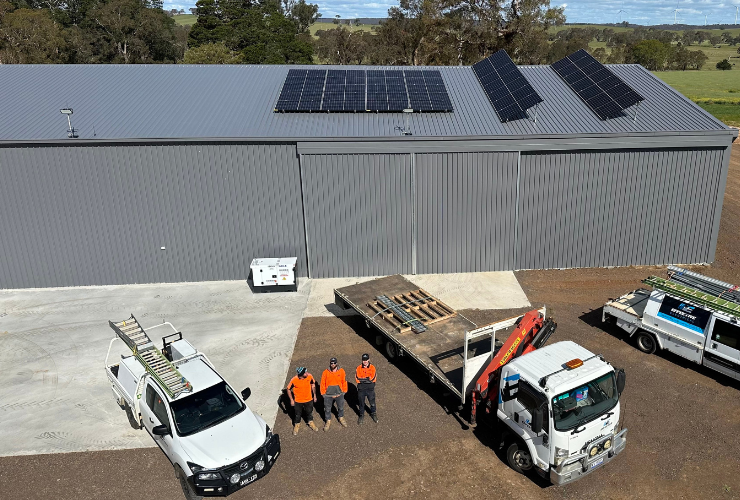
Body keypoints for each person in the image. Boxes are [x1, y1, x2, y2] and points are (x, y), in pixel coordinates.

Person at [286, 366, 318, 435]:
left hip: (309, 399)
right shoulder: (294, 380)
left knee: (309, 412)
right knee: (298, 414)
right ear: (301, 374)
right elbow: (288, 389)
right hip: (298, 401)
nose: (307, 373)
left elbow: (313, 384)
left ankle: (310, 422)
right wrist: (291, 400)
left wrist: (314, 395)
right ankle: (297, 425)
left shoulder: (309, 376)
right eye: (305, 372)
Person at [320, 357, 348, 430]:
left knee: (340, 407)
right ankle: (328, 421)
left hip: (339, 394)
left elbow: (344, 381)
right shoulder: (325, 372)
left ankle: (341, 418)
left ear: (337, 363)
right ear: (330, 364)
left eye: (334, 363)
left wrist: (344, 392)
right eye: (331, 363)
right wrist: (323, 394)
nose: (333, 364)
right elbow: (322, 383)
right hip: (328, 395)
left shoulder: (341, 371)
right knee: (327, 409)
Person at [355, 353, 378, 424]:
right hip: (361, 389)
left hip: (370, 389)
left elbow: (373, 379)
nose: (365, 361)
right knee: (361, 403)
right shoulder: (358, 368)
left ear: (369, 360)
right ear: (362, 360)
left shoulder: (372, 368)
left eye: (366, 360)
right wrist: (367, 379)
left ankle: (373, 413)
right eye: (363, 360)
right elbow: (357, 379)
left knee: (372, 402)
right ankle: (361, 415)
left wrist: (363, 380)